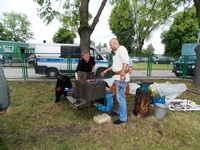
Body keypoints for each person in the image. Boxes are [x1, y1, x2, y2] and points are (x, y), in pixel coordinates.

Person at [102, 38, 130, 125]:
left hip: (121, 77)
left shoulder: (122, 49)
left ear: (114, 43)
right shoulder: (117, 51)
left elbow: (126, 61)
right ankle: (119, 112)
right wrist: (107, 70)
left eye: (110, 45)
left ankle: (123, 118)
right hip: (118, 77)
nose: (110, 46)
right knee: (119, 97)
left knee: (121, 98)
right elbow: (115, 66)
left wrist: (122, 74)